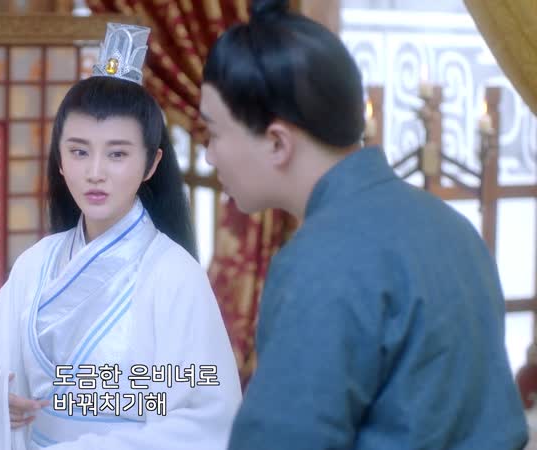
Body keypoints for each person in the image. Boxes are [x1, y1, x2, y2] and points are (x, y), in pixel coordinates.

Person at [199, 0, 529, 448]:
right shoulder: (450, 224)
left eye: (214, 133)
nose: (209, 155)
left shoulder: (322, 259)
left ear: (277, 142)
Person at [0, 22, 241, 450]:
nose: (95, 172)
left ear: (151, 163)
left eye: (117, 153)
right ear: (60, 159)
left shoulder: (175, 276)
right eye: (79, 151)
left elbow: (207, 416)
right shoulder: (38, 264)